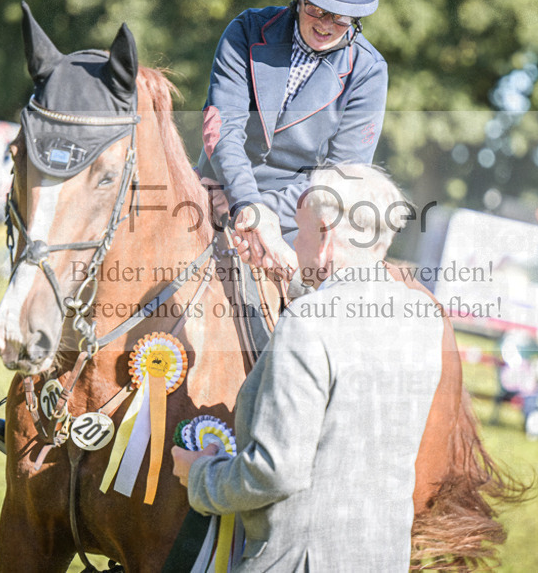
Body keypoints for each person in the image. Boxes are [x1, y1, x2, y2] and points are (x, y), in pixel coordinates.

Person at [171, 164, 444, 570]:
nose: (294, 243)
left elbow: (275, 472)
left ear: (326, 232)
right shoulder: (422, 315)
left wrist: (201, 477)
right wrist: (301, 279)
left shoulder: (307, 322)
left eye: (298, 231)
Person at [197, 0, 387, 275]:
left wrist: (258, 212)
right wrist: (243, 199)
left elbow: (340, 175)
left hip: (291, 219)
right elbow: (223, 128)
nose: (326, 24)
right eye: (316, 9)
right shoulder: (246, 31)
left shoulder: (368, 72)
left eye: (342, 18)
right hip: (215, 190)